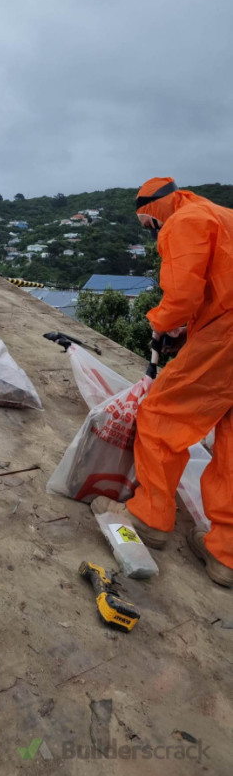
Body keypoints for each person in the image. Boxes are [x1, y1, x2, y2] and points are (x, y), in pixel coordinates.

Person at [92, 177, 233, 587]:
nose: (149, 232)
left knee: (159, 414)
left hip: (227, 336)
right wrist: (187, 330)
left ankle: (149, 517)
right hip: (222, 327)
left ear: (151, 210)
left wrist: (161, 323)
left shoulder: (184, 221)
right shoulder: (222, 216)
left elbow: (184, 294)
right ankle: (226, 554)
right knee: (229, 438)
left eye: (145, 225)